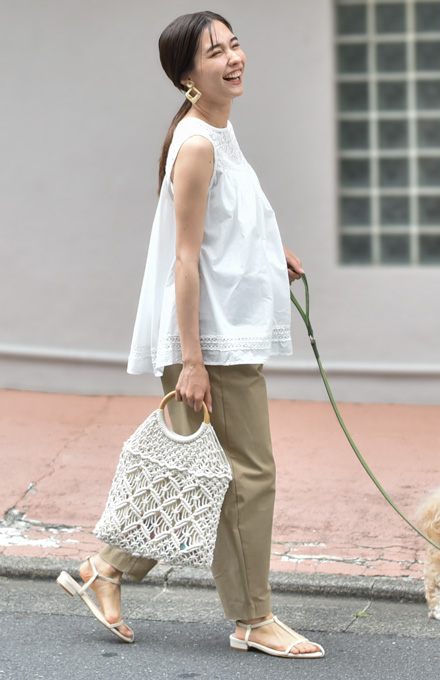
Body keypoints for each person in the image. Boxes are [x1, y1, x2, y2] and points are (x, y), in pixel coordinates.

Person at [56, 11, 324, 659]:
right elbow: (183, 259)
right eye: (214, 53)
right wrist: (193, 362)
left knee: (210, 475)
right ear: (186, 75)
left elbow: (219, 233)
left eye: (235, 44)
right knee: (249, 476)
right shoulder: (199, 142)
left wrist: (270, 252)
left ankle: (107, 568)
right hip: (210, 343)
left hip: (215, 338)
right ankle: (253, 619)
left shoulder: (214, 132)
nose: (233, 58)